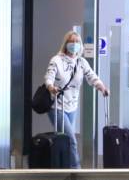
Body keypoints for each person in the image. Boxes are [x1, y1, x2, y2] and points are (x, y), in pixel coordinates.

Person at [44, 30, 109, 169]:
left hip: (72, 107)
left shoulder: (81, 62)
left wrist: (102, 87)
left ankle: (63, 169)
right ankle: (77, 172)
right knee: (71, 140)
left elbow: (92, 77)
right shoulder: (56, 60)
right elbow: (48, 77)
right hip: (57, 106)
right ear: (66, 44)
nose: (74, 44)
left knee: (65, 141)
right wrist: (51, 87)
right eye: (71, 42)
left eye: (77, 42)